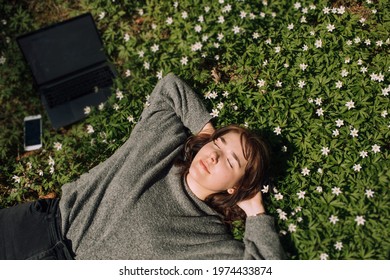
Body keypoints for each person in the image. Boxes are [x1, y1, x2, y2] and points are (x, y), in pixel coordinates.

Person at [0, 73, 286, 260]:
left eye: (231, 160)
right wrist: (206, 130)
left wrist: (256, 213)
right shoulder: (164, 144)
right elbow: (169, 87)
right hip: (40, 225)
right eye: (219, 145)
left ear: (234, 187)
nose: (214, 156)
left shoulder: (207, 239)